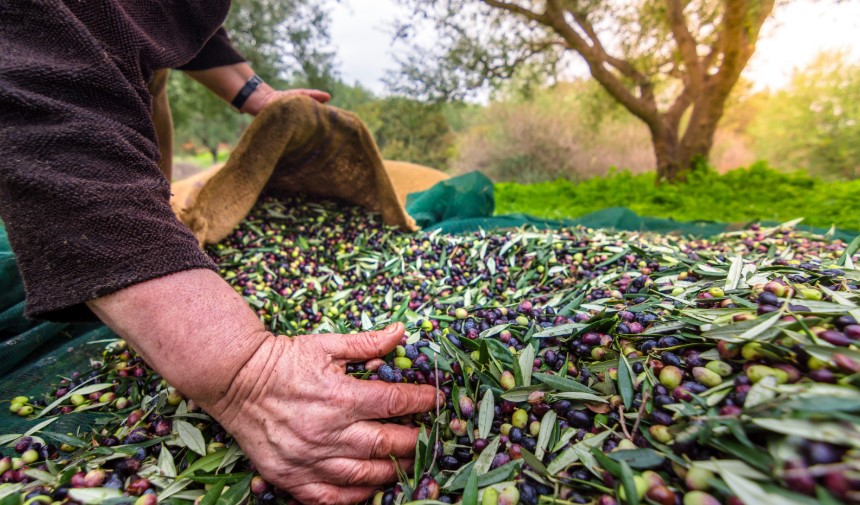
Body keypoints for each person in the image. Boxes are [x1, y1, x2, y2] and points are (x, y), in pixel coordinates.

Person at [0, 2, 439, 504]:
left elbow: (168, 10)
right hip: (47, 91)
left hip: (122, 76)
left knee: (147, 166)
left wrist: (258, 94)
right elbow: (44, 97)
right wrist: (243, 373)